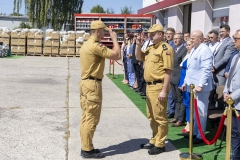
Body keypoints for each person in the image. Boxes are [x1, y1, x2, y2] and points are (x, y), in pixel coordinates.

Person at [79, 20, 121, 159]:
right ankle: (87, 150)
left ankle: (87, 146)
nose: (104, 33)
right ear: (97, 31)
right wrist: (115, 39)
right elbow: (117, 55)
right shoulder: (96, 46)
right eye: (103, 31)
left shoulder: (86, 44)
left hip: (86, 83)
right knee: (91, 118)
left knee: (86, 117)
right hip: (92, 85)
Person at [135, 24, 174, 155]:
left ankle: (160, 144)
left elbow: (168, 71)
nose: (150, 36)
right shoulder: (151, 48)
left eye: (153, 34)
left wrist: (164, 90)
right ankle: (154, 139)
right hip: (149, 86)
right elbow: (139, 57)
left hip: (158, 86)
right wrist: (138, 44)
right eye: (149, 34)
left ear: (161, 34)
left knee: (160, 117)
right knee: (151, 116)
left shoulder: (165, 48)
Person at [182, 30, 213, 144]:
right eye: (191, 38)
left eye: (193, 38)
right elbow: (190, 69)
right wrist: (185, 82)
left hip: (201, 88)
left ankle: (201, 135)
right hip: (192, 86)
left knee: (201, 112)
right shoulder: (194, 49)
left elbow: (206, 70)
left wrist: (200, 85)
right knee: (195, 111)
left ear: (200, 39)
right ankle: (195, 132)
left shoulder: (205, 50)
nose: (191, 40)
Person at [223, 29, 240, 160]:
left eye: (236, 39)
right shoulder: (235, 55)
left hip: (237, 101)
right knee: (234, 133)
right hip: (232, 103)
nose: (233, 41)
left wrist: (232, 96)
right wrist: (225, 91)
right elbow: (229, 77)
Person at [169, 33, 187, 127]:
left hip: (179, 77)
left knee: (180, 99)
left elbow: (183, 65)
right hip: (173, 77)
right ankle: (176, 117)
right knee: (175, 98)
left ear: (182, 39)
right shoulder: (174, 49)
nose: (175, 40)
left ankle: (181, 119)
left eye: (177, 39)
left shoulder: (184, 50)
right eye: (174, 39)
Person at [179, 39, 193, 133]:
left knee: (189, 104)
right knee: (186, 103)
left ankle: (190, 124)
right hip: (182, 80)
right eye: (187, 45)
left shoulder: (193, 55)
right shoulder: (187, 55)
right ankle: (188, 123)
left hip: (187, 82)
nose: (188, 47)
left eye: (190, 45)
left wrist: (184, 83)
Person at [165, 27, 176, 118]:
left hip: (172, 71)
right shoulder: (166, 44)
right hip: (166, 70)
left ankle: (171, 110)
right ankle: (169, 109)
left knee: (171, 93)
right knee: (168, 92)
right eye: (167, 33)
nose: (168, 35)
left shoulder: (174, 45)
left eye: (170, 34)